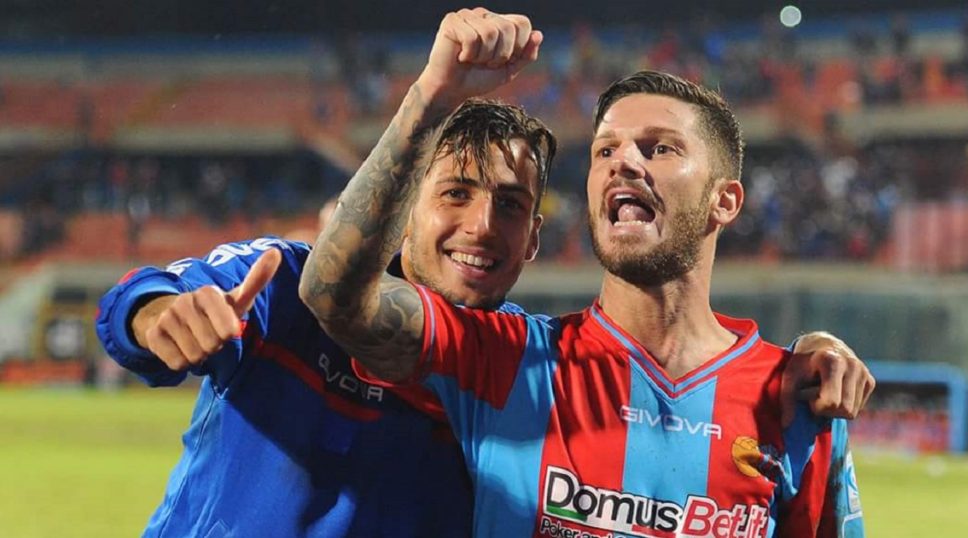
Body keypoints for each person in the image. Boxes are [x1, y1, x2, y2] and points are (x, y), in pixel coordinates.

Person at [97, 9, 870, 538]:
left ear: (535, 240)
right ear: (403, 207)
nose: (480, 226)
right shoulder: (294, 289)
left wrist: (812, 355)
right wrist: (156, 314)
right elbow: (167, 302)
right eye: (456, 194)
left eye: (510, 206)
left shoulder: (508, 359)